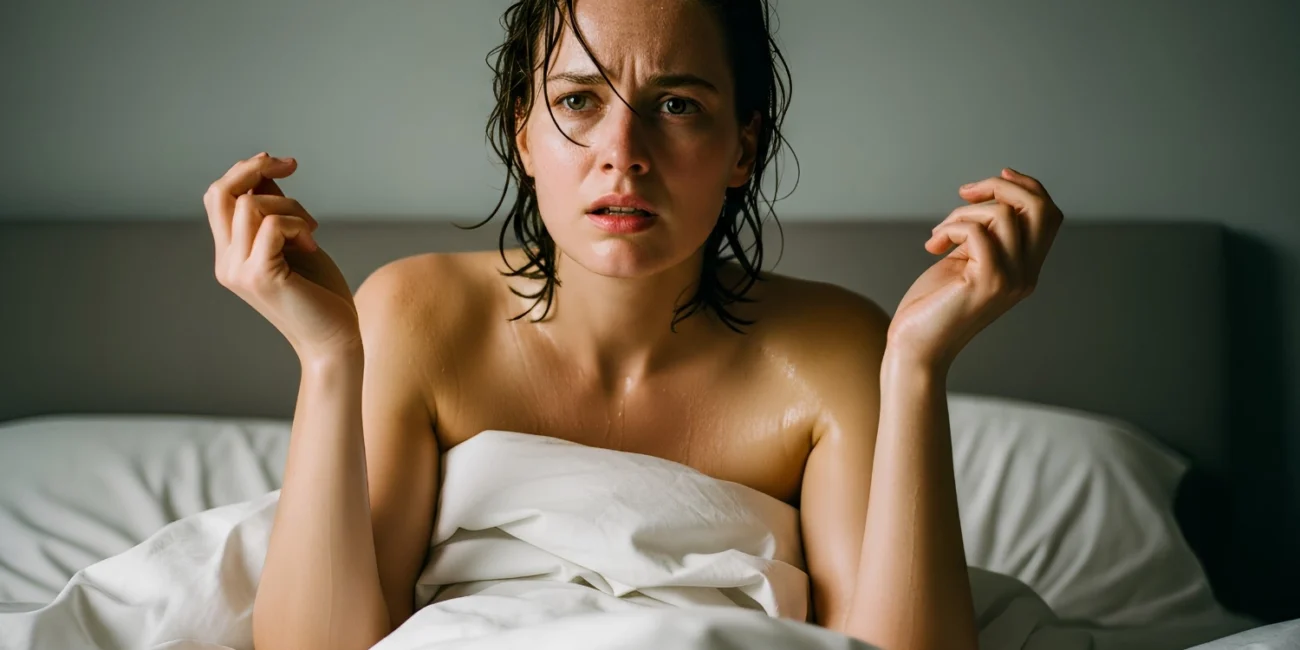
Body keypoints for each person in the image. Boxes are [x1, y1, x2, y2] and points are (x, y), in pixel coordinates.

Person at [201, 1, 1063, 649]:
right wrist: (325, 356)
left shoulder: (835, 349)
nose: (625, 151)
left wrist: (917, 365)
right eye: (578, 100)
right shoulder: (415, 316)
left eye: (679, 104)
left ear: (743, 148)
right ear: (524, 135)